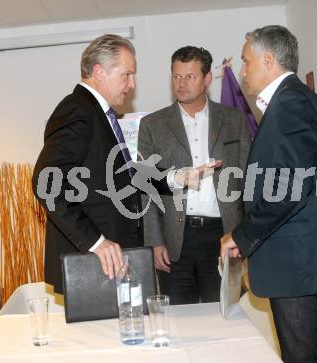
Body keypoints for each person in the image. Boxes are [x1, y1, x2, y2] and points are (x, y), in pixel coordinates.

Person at [32, 35, 215, 294]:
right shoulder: (78, 110)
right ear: (99, 72)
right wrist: (96, 243)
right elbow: (48, 184)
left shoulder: (99, 112)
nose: (132, 84)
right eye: (127, 75)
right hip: (93, 261)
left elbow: (124, 176)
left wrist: (177, 178)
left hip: (111, 261)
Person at [220, 26, 317, 362]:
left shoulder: (291, 102)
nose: (242, 71)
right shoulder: (289, 101)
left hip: (300, 267)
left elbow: (288, 189)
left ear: (268, 60)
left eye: (247, 62)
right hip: (297, 265)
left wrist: (242, 234)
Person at [138, 46, 251, 305]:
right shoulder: (152, 126)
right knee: (179, 323)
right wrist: (155, 242)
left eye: (190, 76)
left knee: (227, 316)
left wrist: (244, 235)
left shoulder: (234, 120)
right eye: (176, 76)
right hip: (175, 240)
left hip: (223, 236)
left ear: (207, 79)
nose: (181, 84)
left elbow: (249, 182)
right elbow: (146, 189)